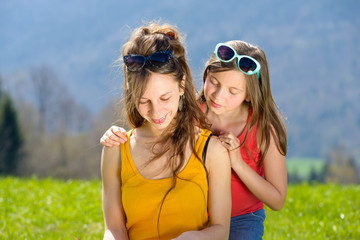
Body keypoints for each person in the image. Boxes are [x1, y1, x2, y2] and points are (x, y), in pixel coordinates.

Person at [101, 40, 287, 240]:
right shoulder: (190, 115)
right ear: (206, 75)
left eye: (232, 91)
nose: (218, 95)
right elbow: (154, 117)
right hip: (200, 216)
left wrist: (238, 163)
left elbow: (277, 200)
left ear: (249, 95)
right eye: (214, 82)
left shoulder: (263, 131)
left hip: (241, 218)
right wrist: (116, 135)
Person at [101, 22, 231, 240]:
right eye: (144, 100)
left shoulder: (211, 150)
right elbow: (113, 229)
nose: (156, 111)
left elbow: (220, 231)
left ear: (181, 86)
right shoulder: (116, 149)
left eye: (164, 98)